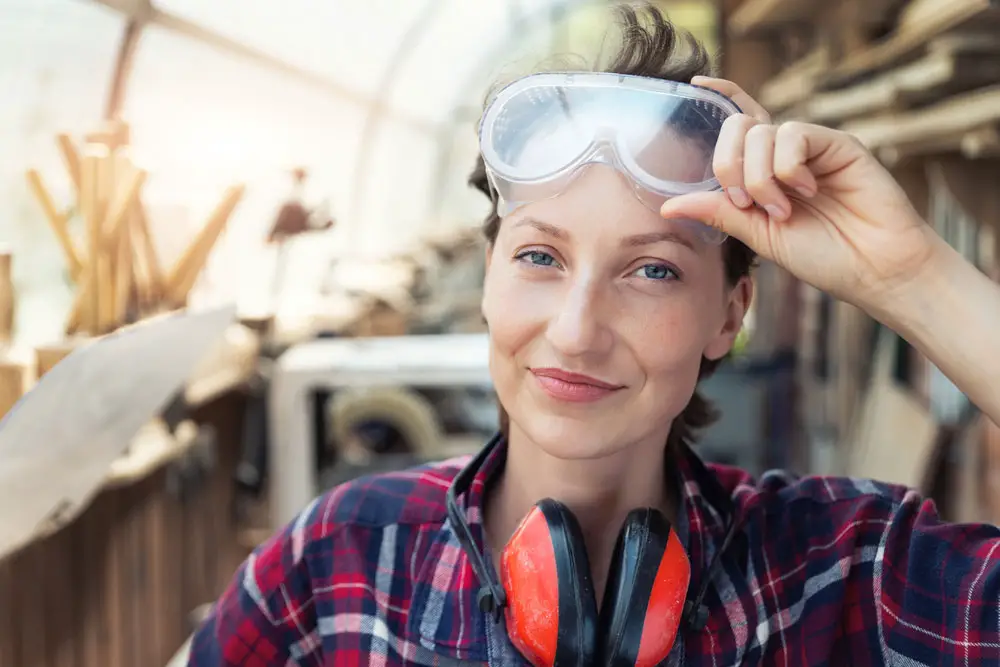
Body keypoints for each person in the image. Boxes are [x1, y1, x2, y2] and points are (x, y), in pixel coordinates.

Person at [188, 4, 1000, 666]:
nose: (575, 332)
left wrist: (911, 275)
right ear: (488, 277)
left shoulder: (838, 570)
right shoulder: (341, 562)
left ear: (730, 313)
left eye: (652, 270)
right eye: (540, 255)